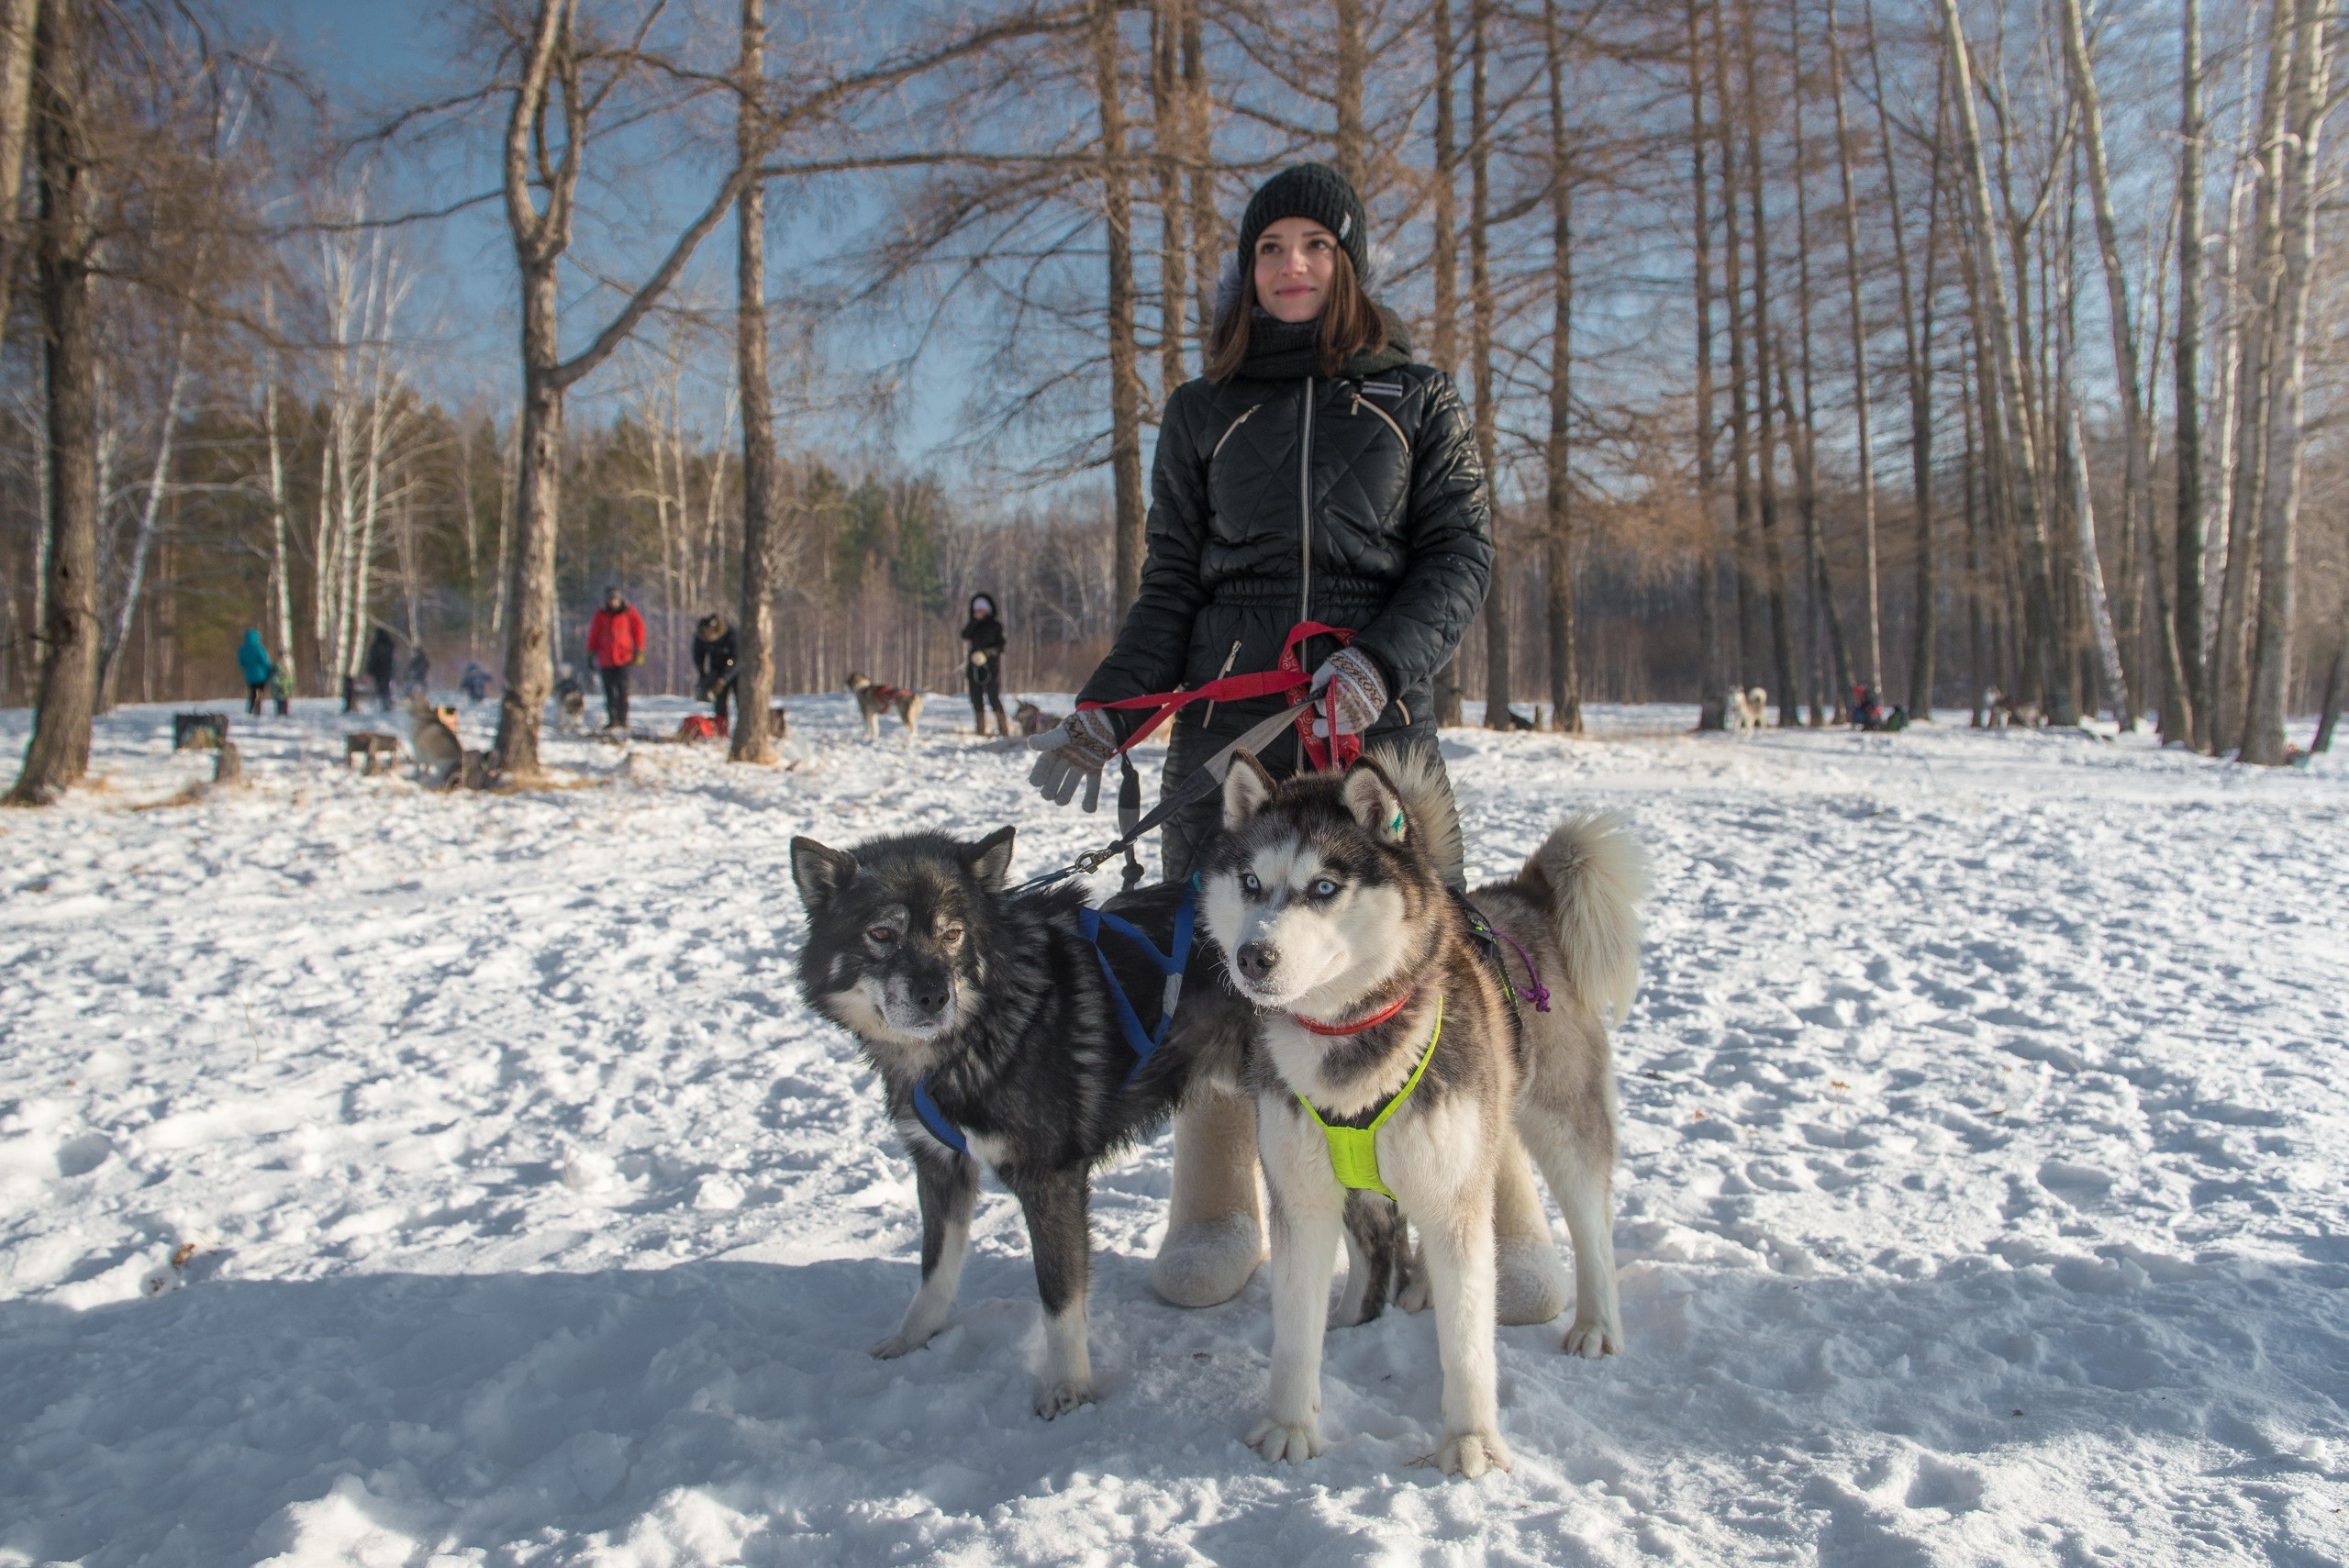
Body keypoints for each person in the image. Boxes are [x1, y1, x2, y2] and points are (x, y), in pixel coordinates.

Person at [1026, 162, 1496, 1312]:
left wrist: (1379, 660)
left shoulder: (1418, 399)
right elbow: (1170, 586)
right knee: (1229, 968)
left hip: (1369, 724)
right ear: (1248, 267)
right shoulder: (1200, 410)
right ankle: (1217, 1208)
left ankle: (1468, 1208)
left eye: (1314, 246)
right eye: (1270, 246)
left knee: (1415, 968)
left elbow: (1461, 558)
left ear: (1348, 263)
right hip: (1233, 724)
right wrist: (1110, 708)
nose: (1290, 265)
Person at [585, 585, 647, 730]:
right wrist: (590, 652)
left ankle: (623, 719)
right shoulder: (600, 615)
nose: (613, 602)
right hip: (606, 658)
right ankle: (612, 719)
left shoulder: (629, 613)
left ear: (620, 600)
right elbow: (594, 634)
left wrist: (639, 650)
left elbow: (639, 630)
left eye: (615, 600)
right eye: (610, 600)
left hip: (624, 657)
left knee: (623, 689)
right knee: (609, 690)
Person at [961, 592, 1009, 736]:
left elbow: (1001, 646)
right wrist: (974, 621)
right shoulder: (973, 625)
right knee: (976, 697)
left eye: (981, 610)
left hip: (990, 667)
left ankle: (1003, 729)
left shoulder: (996, 626)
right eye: (976, 610)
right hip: (974, 666)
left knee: (993, 697)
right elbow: (964, 634)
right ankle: (980, 729)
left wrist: (986, 654)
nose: (979, 612)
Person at [692, 613, 739, 725]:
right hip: (716, 668)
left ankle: (743, 730)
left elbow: (736, 659)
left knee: (742, 702)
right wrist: (702, 673)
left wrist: (724, 679)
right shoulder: (702, 634)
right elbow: (698, 654)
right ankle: (721, 729)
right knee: (720, 703)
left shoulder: (731, 635)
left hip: (736, 669)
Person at [237, 628, 274, 717]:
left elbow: (241, 663)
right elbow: (265, 661)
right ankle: (257, 709)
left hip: (249, 676)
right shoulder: (259, 648)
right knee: (259, 693)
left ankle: (251, 708)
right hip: (261, 675)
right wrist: (270, 671)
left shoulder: (242, 649)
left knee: (252, 692)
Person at [363, 626, 398, 711]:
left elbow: (371, 659)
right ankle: (388, 703)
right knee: (386, 686)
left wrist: (368, 671)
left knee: (380, 688)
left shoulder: (375, 646)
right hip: (388, 670)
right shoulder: (389, 645)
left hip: (378, 671)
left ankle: (384, 704)